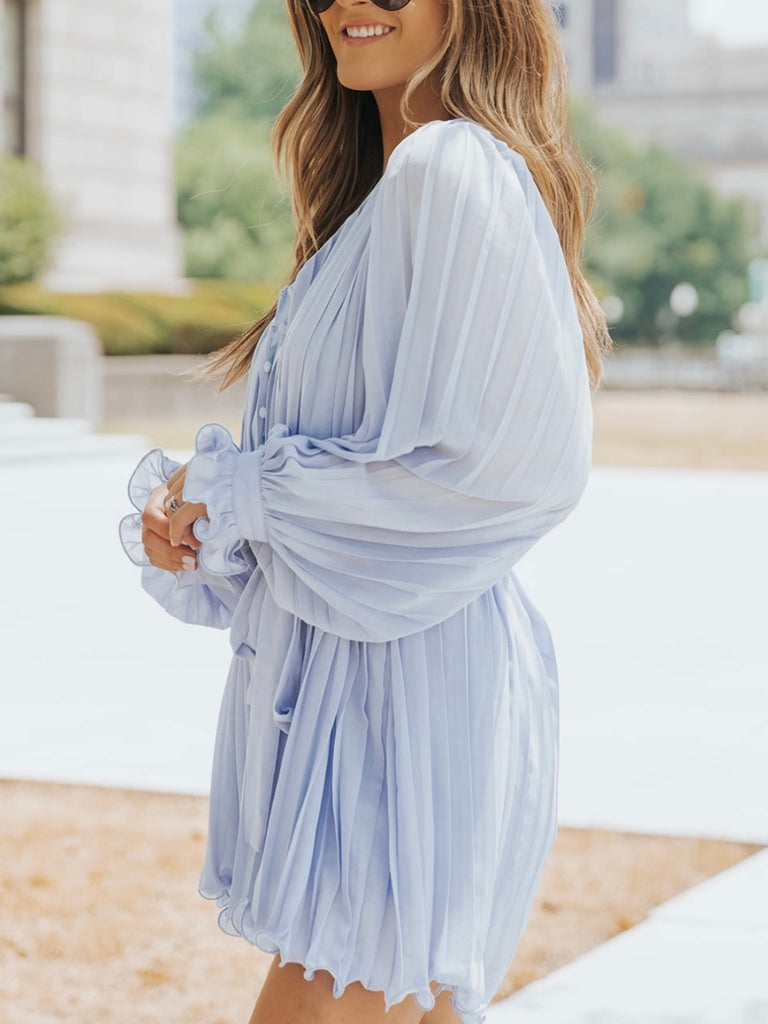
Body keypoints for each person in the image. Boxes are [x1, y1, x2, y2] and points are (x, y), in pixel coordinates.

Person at [120, 0, 610, 1020]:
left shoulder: (451, 169)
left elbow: (511, 470)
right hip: (381, 678)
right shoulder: (385, 196)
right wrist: (209, 527)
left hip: (405, 691)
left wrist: (240, 491)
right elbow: (362, 470)